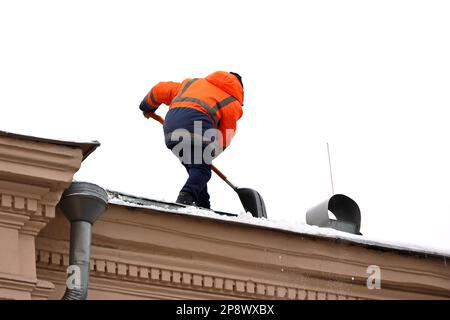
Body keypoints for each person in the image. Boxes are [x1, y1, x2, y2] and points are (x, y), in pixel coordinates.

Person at [139, 71, 244, 209]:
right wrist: (211, 153)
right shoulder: (232, 102)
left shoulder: (192, 83)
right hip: (197, 127)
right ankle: (185, 198)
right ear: (240, 89)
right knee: (202, 170)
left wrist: (146, 106)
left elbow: (160, 90)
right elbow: (226, 135)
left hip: (171, 128)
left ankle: (203, 205)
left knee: (196, 169)